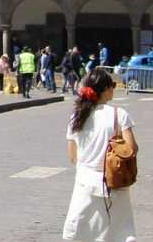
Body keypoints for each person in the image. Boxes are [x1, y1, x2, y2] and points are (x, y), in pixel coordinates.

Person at [62, 66, 137, 241]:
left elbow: (73, 156)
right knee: (118, 231)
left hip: (85, 182)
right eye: (112, 85)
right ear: (105, 89)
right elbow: (131, 149)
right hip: (114, 181)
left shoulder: (77, 116)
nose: (114, 88)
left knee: (84, 232)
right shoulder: (119, 115)